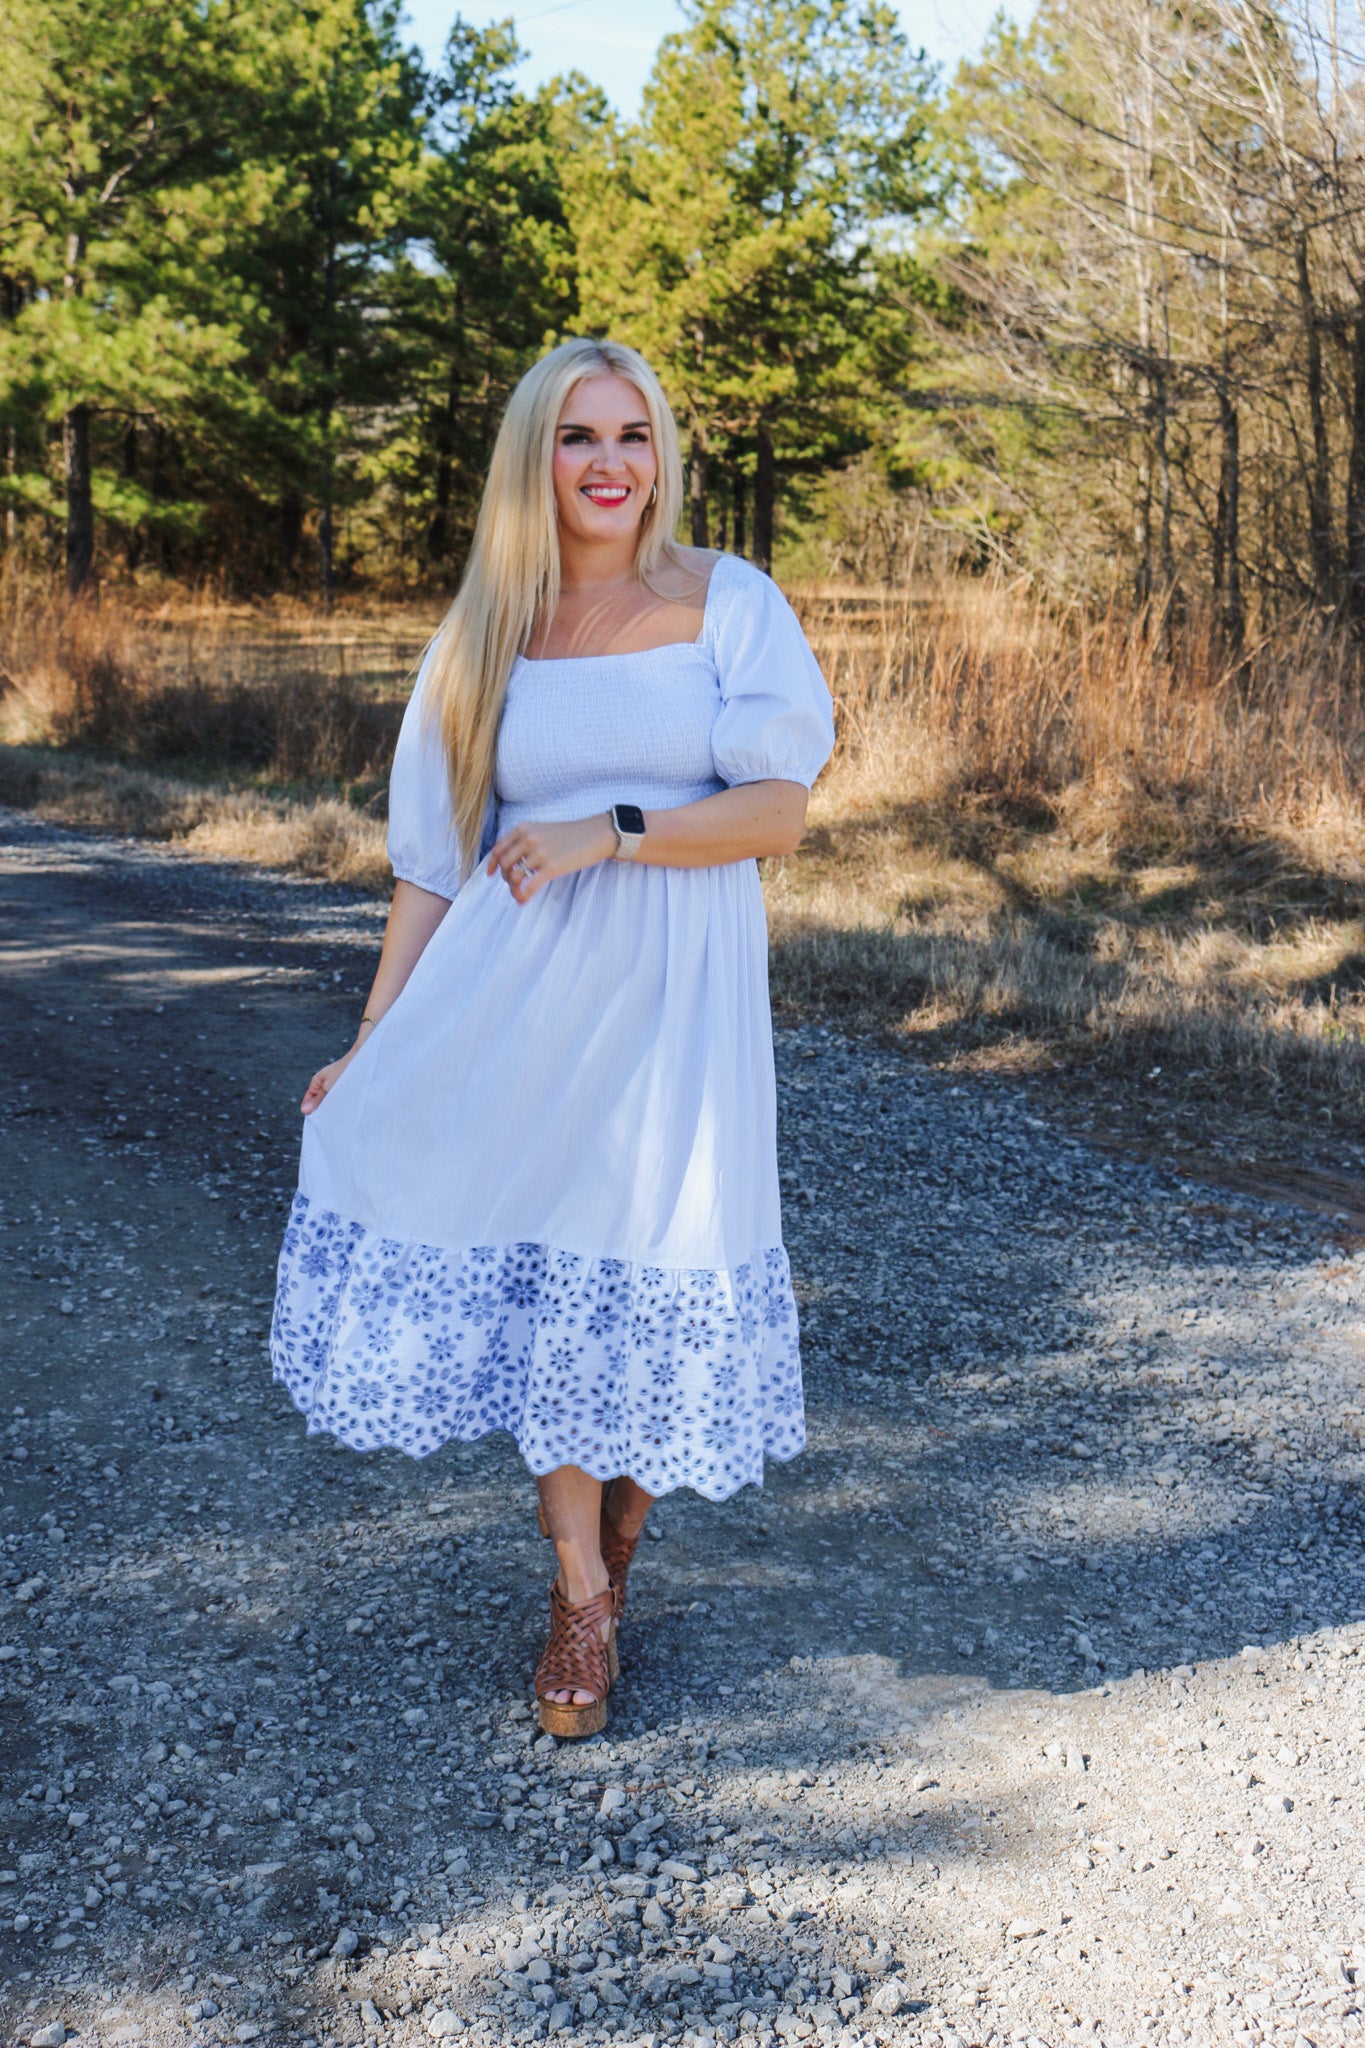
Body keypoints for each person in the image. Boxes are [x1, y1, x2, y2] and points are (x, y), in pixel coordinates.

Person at [269, 337, 835, 1737]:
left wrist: (615, 830)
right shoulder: (484, 631)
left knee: (661, 1256)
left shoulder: (728, 602)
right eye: (579, 437)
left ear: (662, 454)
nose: (608, 465)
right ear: (536, 457)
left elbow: (777, 812)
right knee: (555, 1278)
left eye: (632, 436)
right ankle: (579, 1586)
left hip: (680, 996)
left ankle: (620, 1536)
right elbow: (428, 863)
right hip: (517, 1001)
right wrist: (373, 1042)